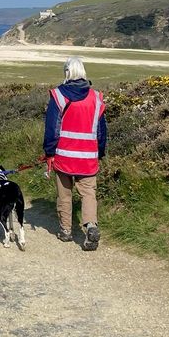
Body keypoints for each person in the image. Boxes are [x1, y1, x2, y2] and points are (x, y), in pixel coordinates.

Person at [43, 57, 107, 251]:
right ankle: (91, 226)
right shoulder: (96, 98)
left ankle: (65, 230)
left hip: (64, 156)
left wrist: (49, 152)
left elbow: (52, 128)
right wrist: (100, 152)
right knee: (88, 193)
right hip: (88, 156)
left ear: (67, 73)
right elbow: (101, 130)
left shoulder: (58, 96)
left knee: (65, 194)